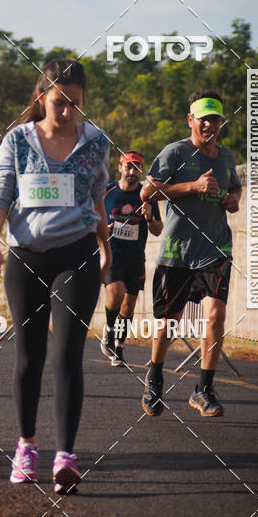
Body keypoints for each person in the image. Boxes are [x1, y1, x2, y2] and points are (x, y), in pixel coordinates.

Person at [0, 59, 111, 494]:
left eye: (76, 103)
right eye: (60, 102)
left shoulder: (96, 144)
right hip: (26, 256)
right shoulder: (17, 141)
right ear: (42, 98)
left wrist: (106, 249)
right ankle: (26, 447)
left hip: (76, 254)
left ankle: (66, 458)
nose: (68, 111)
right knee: (29, 356)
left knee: (67, 356)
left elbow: (97, 200)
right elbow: (1, 192)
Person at [140, 91, 242, 417]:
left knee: (216, 315)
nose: (210, 125)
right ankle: (155, 375)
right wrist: (191, 187)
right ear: (191, 120)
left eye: (216, 119)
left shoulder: (225, 158)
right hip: (177, 251)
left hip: (215, 249)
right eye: (204, 119)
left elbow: (235, 186)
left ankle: (204, 389)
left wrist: (233, 199)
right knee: (169, 323)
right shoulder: (175, 152)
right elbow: (148, 191)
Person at [101, 151, 163, 366]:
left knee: (128, 306)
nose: (132, 172)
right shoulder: (107, 192)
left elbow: (157, 230)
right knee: (115, 295)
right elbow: (90, 220)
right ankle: (108, 332)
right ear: (120, 167)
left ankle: (118, 346)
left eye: (137, 168)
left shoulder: (147, 195)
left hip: (136, 257)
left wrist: (149, 216)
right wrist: (103, 230)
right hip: (112, 255)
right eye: (128, 167)